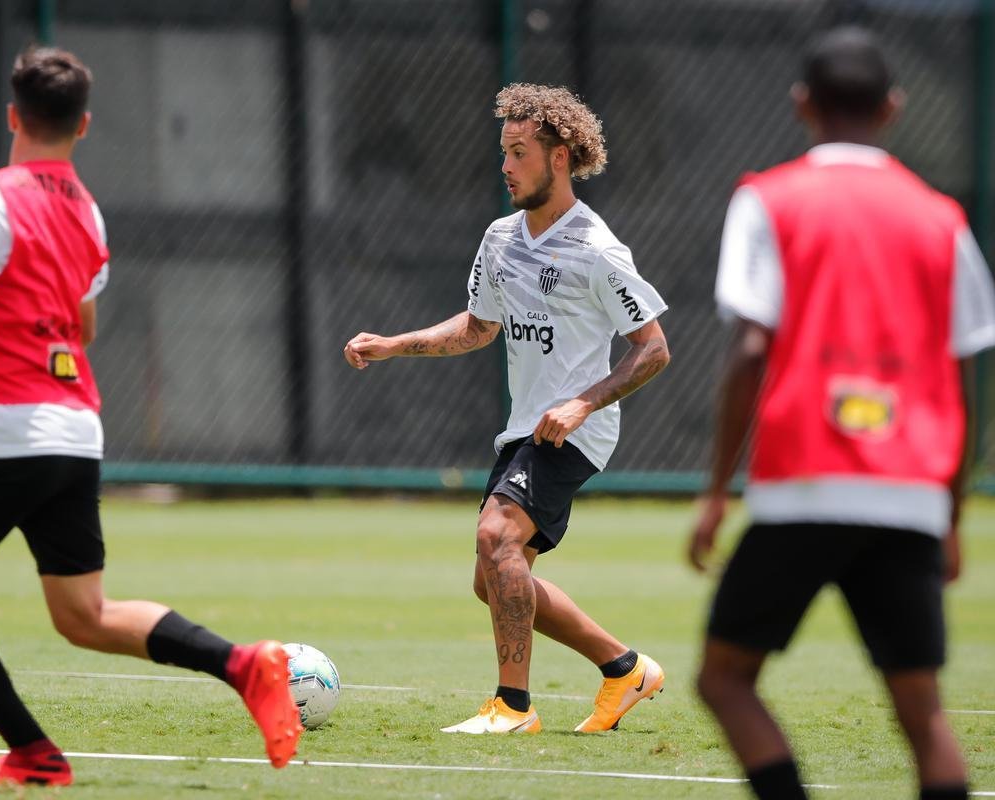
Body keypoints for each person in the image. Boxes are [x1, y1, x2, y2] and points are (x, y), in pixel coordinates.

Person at [0, 47, 301, 787]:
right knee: (83, 615)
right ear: (83, 125)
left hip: (6, 432)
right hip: (74, 428)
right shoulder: (86, 211)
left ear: (12, 117)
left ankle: (34, 753)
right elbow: (83, 325)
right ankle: (243, 664)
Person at [688, 27, 995, 800]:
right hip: (911, 493)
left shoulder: (768, 199)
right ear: (893, 108)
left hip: (804, 485)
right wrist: (949, 513)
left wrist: (718, 489)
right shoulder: (942, 219)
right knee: (923, 715)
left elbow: (752, 348)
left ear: (802, 105)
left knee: (725, 680)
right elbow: (964, 383)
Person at [344, 83, 671, 734]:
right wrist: (392, 346)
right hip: (526, 427)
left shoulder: (596, 250)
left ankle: (513, 707)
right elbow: (478, 327)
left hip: (576, 428)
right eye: (504, 151)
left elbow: (654, 348)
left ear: (557, 158)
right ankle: (624, 668)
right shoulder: (500, 239)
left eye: (518, 152)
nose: (505, 165)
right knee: (494, 579)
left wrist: (581, 404)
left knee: (497, 537)